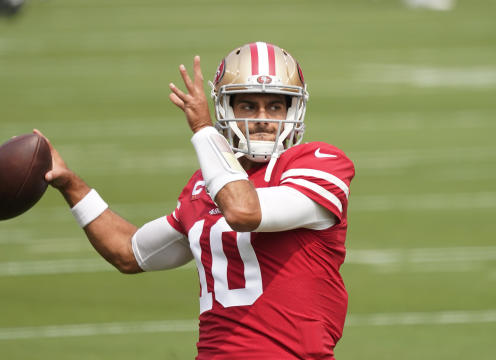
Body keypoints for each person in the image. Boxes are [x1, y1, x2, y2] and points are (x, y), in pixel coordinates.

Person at [37, 41, 355, 359]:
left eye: (275, 106)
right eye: (247, 106)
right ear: (225, 109)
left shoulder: (318, 162)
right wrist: (72, 185)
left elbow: (244, 211)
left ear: (293, 109)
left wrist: (204, 131)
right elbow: (129, 252)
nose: (262, 119)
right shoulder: (206, 184)